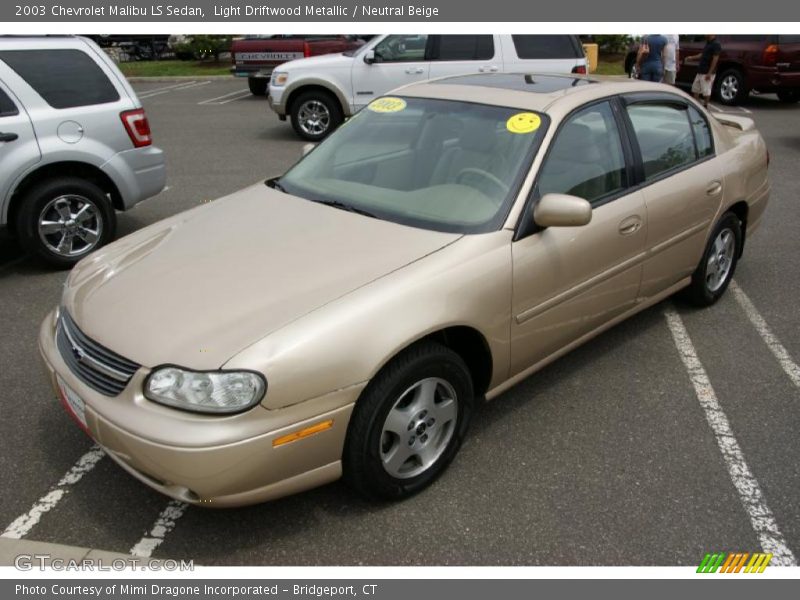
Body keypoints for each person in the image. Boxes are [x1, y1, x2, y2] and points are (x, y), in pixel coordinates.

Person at [686, 35, 722, 108]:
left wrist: (709, 73)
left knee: (706, 91)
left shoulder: (716, 44)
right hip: (701, 70)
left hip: (707, 72)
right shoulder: (708, 43)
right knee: (695, 88)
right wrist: (691, 57)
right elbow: (702, 54)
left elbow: (715, 59)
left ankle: (705, 106)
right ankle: (695, 106)